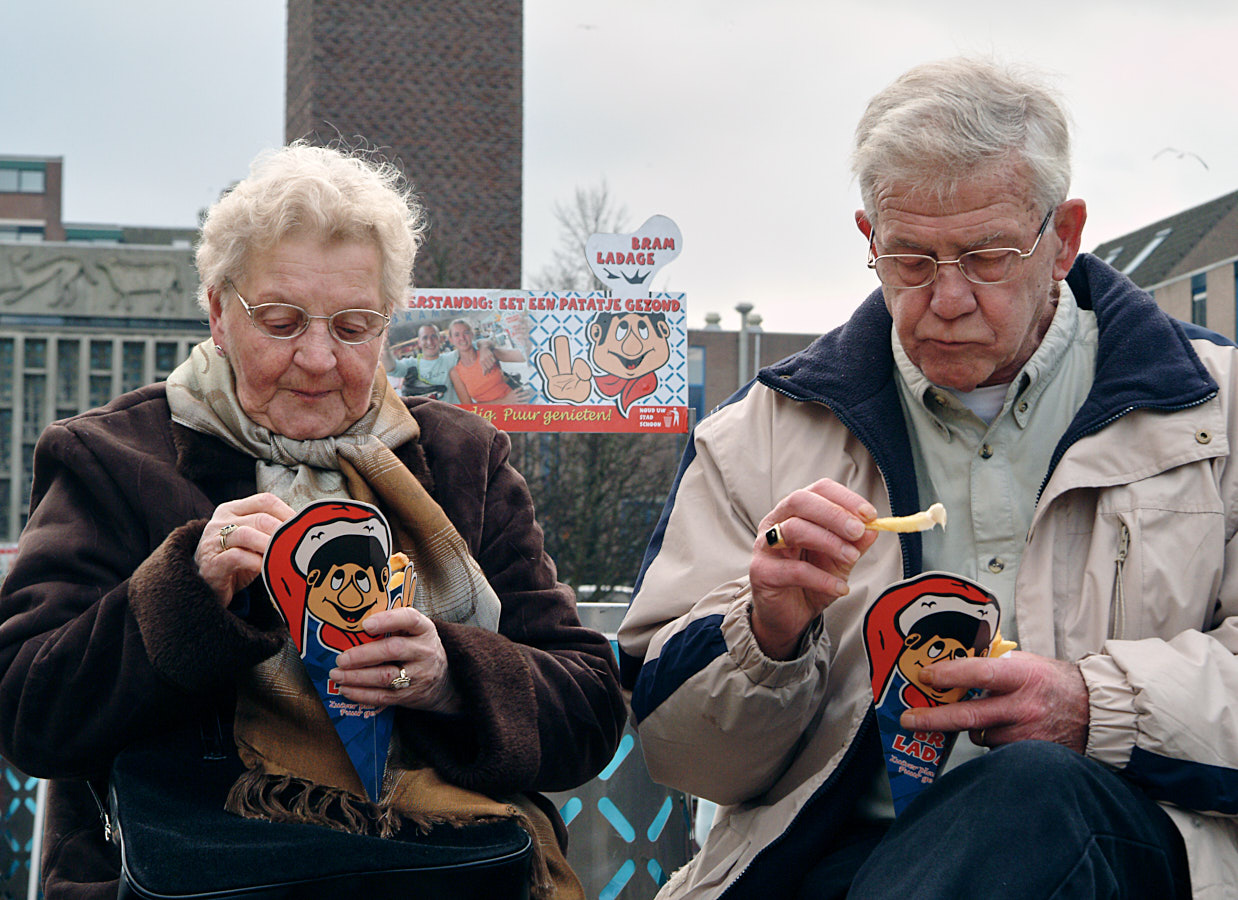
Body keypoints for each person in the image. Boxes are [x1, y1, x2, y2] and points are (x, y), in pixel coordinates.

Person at [619, 58, 1234, 900]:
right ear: (868, 238)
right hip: (839, 861)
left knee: (1037, 792)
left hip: (1132, 848)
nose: (945, 299)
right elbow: (679, 756)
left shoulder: (1217, 411)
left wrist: (1097, 705)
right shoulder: (757, 435)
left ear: (1065, 237)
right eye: (909, 258)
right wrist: (763, 632)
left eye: (985, 257)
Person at [0, 142, 625, 899]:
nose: (319, 358)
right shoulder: (112, 458)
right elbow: (28, 709)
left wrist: (452, 677)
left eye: (354, 326)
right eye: (282, 320)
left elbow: (591, 707)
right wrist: (184, 595)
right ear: (218, 313)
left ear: (389, 324)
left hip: (444, 874)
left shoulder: (465, 459)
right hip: (191, 880)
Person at [448, 318, 531, 404]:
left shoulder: (488, 354)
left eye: (466, 333)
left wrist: (526, 336)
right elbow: (469, 408)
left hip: (516, 405)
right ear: (451, 340)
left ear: (472, 334)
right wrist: (504, 401)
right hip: (490, 414)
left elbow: (522, 356)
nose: (462, 338)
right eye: (457, 335)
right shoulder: (456, 373)